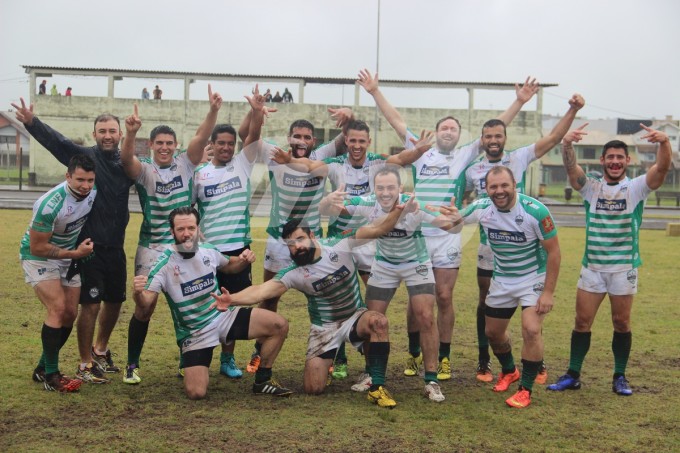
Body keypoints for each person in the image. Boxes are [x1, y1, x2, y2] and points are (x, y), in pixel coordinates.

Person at [358, 69, 538, 381]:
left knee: (443, 297)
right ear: (437, 132)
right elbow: (396, 121)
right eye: (444, 127)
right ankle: (415, 354)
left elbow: (495, 130)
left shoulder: (465, 154)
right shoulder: (421, 149)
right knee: (417, 303)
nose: (449, 131)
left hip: (447, 236)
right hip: (415, 236)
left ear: (459, 135)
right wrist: (374, 91)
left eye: (454, 128)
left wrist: (518, 102)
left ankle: (443, 357)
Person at [271, 120, 436, 380]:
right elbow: (312, 165)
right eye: (352, 140)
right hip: (341, 241)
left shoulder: (376, 163)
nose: (357, 145)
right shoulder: (336, 164)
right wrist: (288, 160)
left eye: (362, 141)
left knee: (374, 305)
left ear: (367, 142)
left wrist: (420, 151)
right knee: (336, 295)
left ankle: (375, 363)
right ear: (345, 140)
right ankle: (339, 358)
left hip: (369, 240)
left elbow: (401, 157)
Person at [211, 212, 415, 408]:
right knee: (313, 388)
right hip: (324, 328)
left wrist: (397, 211)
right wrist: (231, 299)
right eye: (291, 245)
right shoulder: (294, 272)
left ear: (312, 235)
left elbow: (378, 228)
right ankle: (330, 359)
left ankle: (377, 386)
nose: (297, 247)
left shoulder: (340, 244)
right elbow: (261, 291)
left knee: (378, 321)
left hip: (355, 316)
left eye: (300, 239)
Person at [461, 93, 585, 383]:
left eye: (498, 135)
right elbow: (457, 203)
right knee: (487, 305)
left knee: (531, 311)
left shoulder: (519, 156)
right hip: (489, 244)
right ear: (482, 139)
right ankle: (485, 361)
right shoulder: (472, 170)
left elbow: (554, 137)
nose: (493, 140)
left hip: (522, 238)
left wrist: (572, 110)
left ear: (505, 137)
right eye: (488, 136)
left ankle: (536, 364)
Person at [13, 98, 134, 380]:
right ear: (95, 134)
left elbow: (154, 171)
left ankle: (98, 351)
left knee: (113, 303)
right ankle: (80, 364)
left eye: (112, 131)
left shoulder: (127, 164)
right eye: (102, 130)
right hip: (85, 249)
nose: (107, 135)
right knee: (82, 307)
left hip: (115, 247)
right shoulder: (85, 160)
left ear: (120, 134)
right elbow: (57, 142)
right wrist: (32, 122)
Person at [547, 124, 671, 396]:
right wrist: (566, 144)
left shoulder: (636, 188)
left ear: (628, 161)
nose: (615, 161)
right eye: (610, 157)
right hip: (592, 268)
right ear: (602, 161)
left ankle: (619, 377)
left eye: (620, 157)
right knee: (581, 323)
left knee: (622, 323)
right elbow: (571, 171)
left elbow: (661, 170)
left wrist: (664, 143)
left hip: (623, 269)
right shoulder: (591, 188)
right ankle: (573, 374)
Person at [133, 207, 292, 399]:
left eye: (191, 228)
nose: (187, 234)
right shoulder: (163, 264)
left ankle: (263, 380)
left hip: (223, 315)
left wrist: (243, 260)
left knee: (279, 325)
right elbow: (146, 302)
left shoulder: (208, 250)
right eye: (181, 229)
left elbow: (229, 264)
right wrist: (138, 294)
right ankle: (191, 357)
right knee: (196, 392)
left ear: (198, 229)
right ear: (171, 232)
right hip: (195, 332)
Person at [120, 85, 222, 384]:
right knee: (145, 306)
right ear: (150, 145)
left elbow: (201, 136)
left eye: (169, 143)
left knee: (192, 302)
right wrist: (129, 133)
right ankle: (132, 364)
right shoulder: (145, 169)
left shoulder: (186, 163)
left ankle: (187, 360)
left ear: (176, 145)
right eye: (159, 143)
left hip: (187, 246)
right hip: (151, 248)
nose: (164, 147)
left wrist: (213, 110)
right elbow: (126, 161)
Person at [244, 108, 353, 373]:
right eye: (296, 136)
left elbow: (346, 137)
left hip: (311, 240)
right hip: (279, 241)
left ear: (313, 141)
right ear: (289, 138)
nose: (301, 141)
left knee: (327, 296)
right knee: (269, 298)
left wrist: (348, 116)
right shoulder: (275, 155)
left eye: (306, 137)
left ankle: (337, 355)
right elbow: (250, 140)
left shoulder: (321, 156)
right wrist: (256, 113)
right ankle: (259, 351)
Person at [342, 166, 463, 402]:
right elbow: (333, 207)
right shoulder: (367, 202)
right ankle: (371, 373)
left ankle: (431, 379)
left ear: (400, 189)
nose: (385, 193)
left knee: (425, 316)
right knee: (372, 319)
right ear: (374, 189)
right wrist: (329, 201)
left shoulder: (414, 204)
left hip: (416, 263)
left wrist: (457, 219)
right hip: (384, 265)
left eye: (390, 188)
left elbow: (450, 226)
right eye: (380, 188)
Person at [453, 166, 560, 408]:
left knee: (531, 329)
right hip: (502, 280)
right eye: (493, 187)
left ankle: (526, 389)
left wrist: (548, 292)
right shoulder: (482, 208)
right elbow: (452, 223)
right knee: (493, 333)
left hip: (533, 278)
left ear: (514, 186)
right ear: (487, 189)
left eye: (504, 185)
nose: (499, 191)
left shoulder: (535, 211)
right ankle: (510, 371)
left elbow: (554, 252)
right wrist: (442, 217)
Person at [192, 87, 267, 378]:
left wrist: (257, 111)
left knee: (232, 305)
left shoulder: (242, 165)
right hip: (208, 253)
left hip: (238, 250)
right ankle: (197, 357)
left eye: (230, 143)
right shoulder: (199, 174)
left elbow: (255, 136)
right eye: (220, 143)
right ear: (212, 144)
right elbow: (189, 211)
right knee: (204, 306)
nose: (225, 147)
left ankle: (228, 359)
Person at [20, 154, 97, 392]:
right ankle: (51, 375)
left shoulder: (92, 193)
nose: (85, 186)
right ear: (68, 176)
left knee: (70, 314)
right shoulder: (50, 204)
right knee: (58, 308)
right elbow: (38, 246)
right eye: (80, 180)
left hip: (68, 256)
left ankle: (43, 367)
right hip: (38, 257)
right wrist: (75, 254)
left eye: (90, 180)